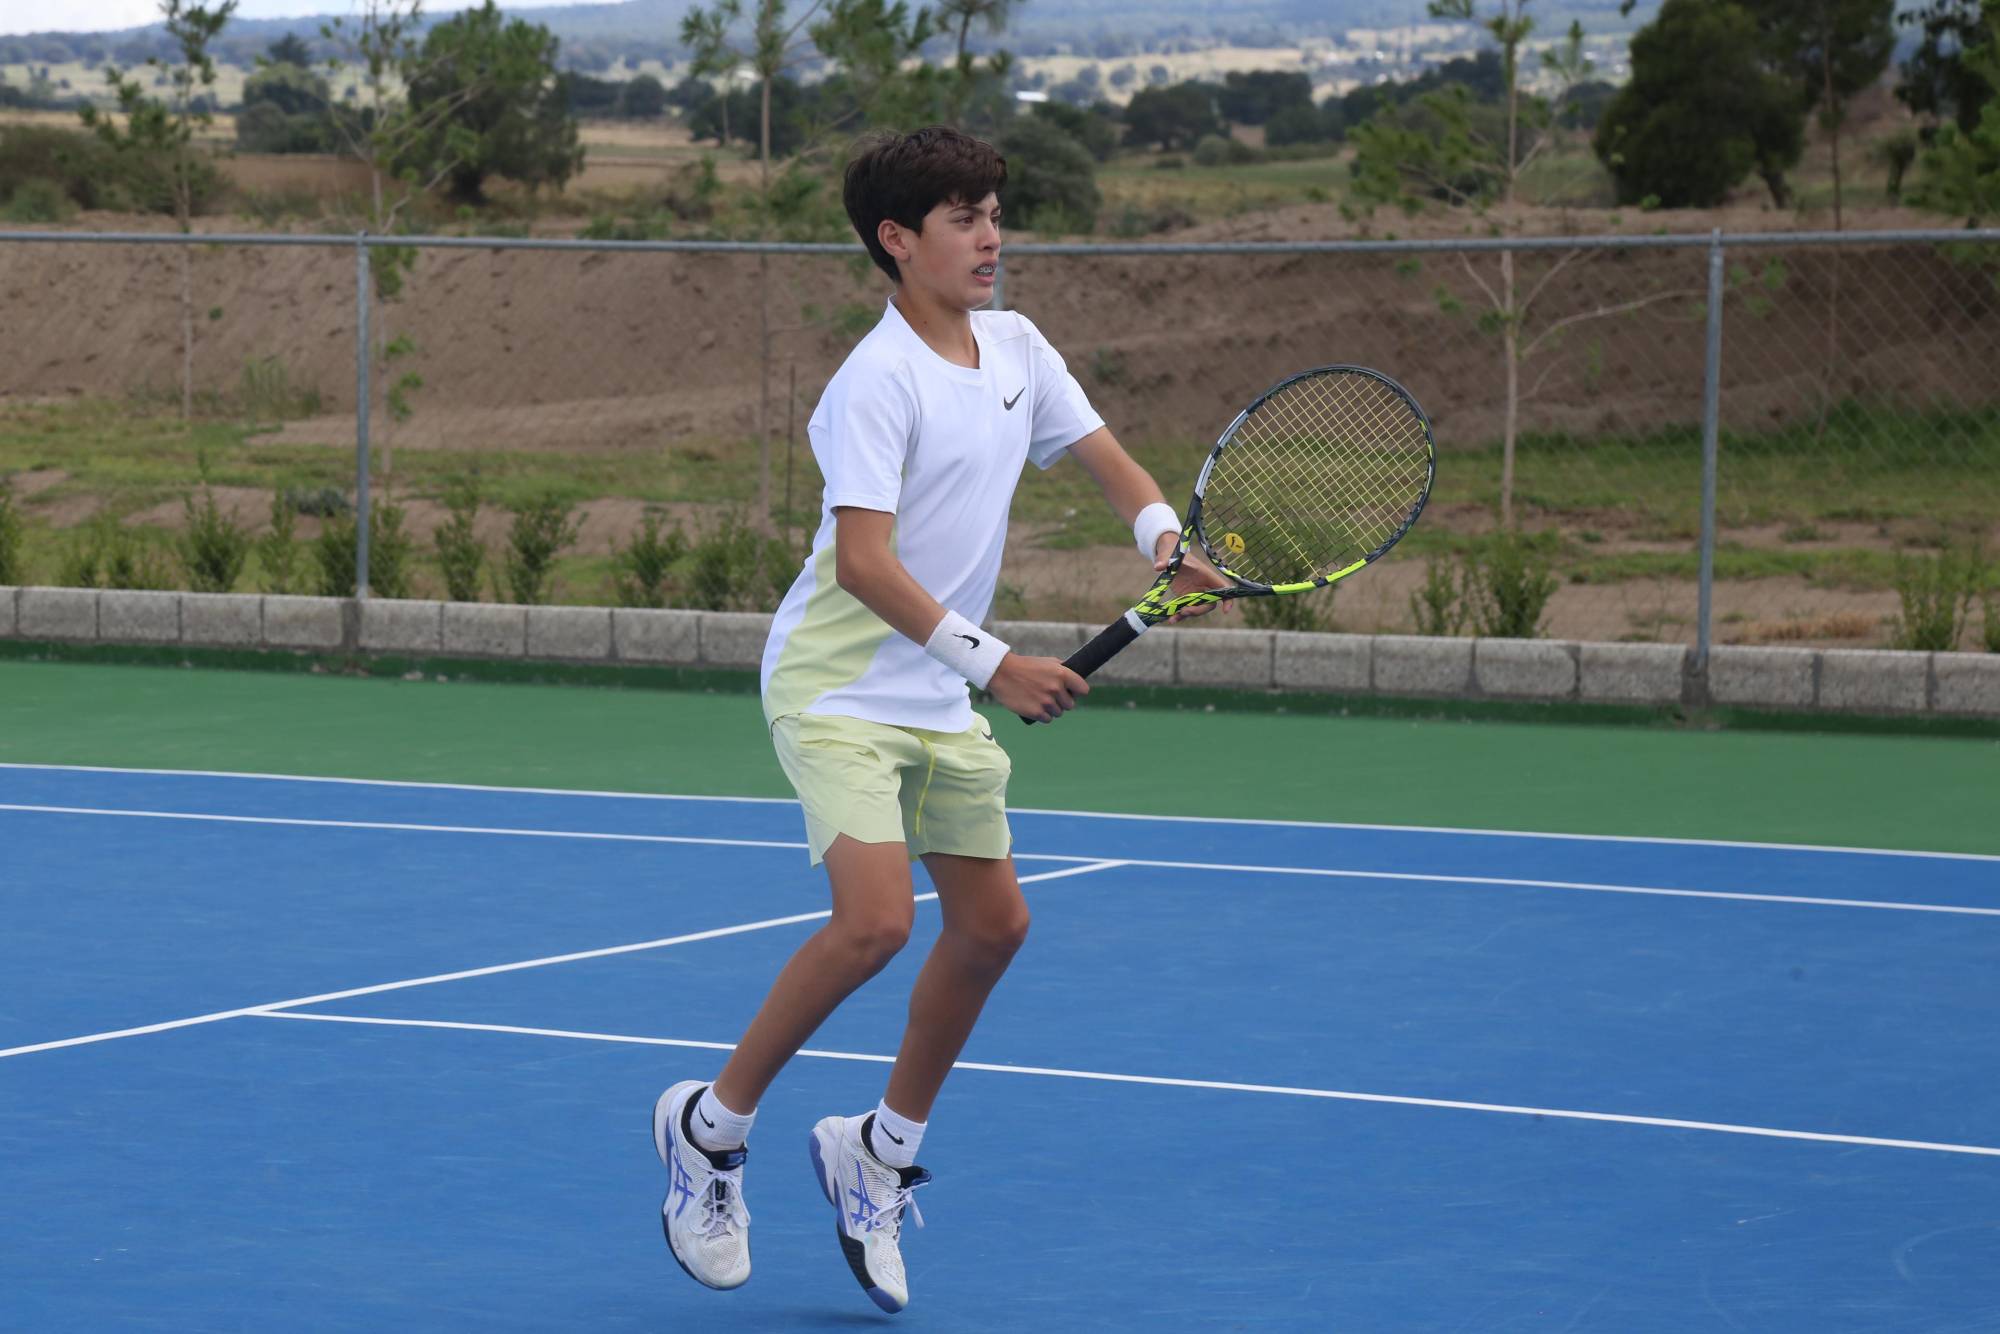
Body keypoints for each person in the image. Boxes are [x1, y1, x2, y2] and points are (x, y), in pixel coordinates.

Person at [652, 125, 1227, 1315]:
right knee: (872, 925)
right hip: (837, 685)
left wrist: (1164, 539)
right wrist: (994, 661)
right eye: (961, 217)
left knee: (992, 925)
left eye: (993, 213)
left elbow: (1108, 459)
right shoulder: (874, 380)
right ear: (895, 240)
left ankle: (881, 1146)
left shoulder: (1016, 346)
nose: (989, 237)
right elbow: (863, 562)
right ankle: (709, 1133)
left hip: (933, 690)